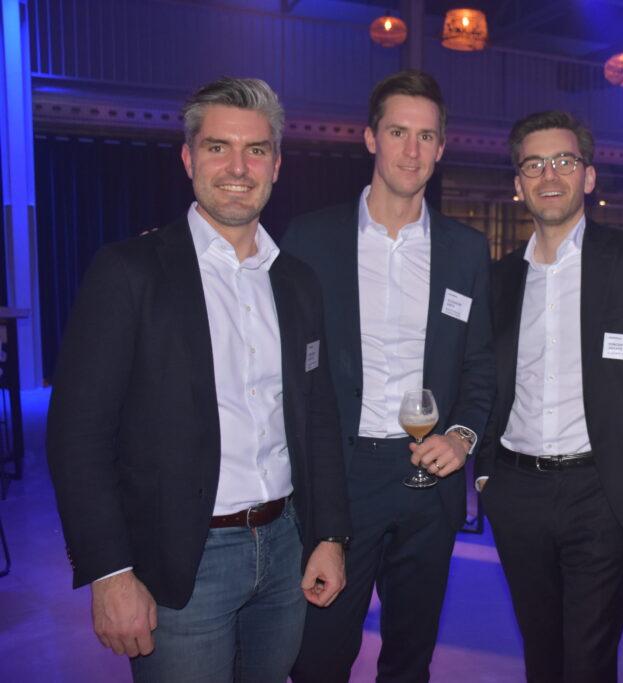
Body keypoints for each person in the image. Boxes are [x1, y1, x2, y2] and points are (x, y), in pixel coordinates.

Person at [46, 77, 351, 682]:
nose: (238, 167)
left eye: (256, 150)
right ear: (188, 158)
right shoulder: (129, 271)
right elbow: (78, 434)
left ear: (276, 165)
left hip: (286, 549)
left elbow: (316, 415)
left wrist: (331, 535)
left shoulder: (298, 282)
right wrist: (109, 571)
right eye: (218, 147)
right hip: (183, 563)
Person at [283, 69, 495, 682]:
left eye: (426, 136)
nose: (412, 151)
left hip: (429, 480)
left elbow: (480, 365)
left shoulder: (465, 250)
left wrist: (462, 437)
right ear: (370, 138)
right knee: (319, 658)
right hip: (340, 477)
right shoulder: (310, 239)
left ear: (442, 147)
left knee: (410, 660)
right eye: (398, 132)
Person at [476, 110, 623, 682]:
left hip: (602, 491)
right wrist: (486, 471)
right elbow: (479, 376)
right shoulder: (499, 280)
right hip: (516, 490)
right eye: (534, 164)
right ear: (518, 184)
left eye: (564, 161)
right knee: (541, 651)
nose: (550, 175)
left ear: (589, 177)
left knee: (589, 659)